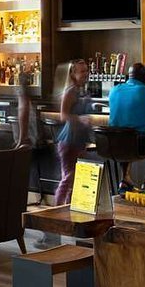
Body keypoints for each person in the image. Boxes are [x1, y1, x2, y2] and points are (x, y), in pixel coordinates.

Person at [54, 59, 92, 205]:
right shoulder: (70, 91)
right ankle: (55, 210)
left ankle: (68, 209)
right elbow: (63, 115)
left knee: (75, 179)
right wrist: (80, 119)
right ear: (73, 74)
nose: (86, 74)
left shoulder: (82, 91)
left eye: (87, 70)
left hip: (79, 141)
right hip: (68, 141)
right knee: (68, 178)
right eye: (82, 71)